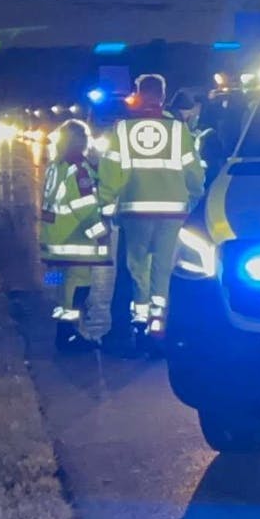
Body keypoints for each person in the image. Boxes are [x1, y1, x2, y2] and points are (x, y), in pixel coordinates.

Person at [97, 74, 206, 354]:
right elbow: (193, 172)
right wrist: (193, 198)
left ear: (137, 93)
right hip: (172, 212)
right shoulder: (178, 130)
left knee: (137, 270)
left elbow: (111, 173)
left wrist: (106, 206)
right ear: (163, 95)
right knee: (163, 271)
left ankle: (139, 323)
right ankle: (158, 328)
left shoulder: (122, 130)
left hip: (135, 211)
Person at [38, 120, 110, 352]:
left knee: (58, 283)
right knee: (79, 285)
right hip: (74, 240)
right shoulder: (78, 169)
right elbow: (85, 208)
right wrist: (100, 233)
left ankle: (61, 329)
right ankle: (69, 335)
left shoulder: (54, 166)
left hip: (53, 238)